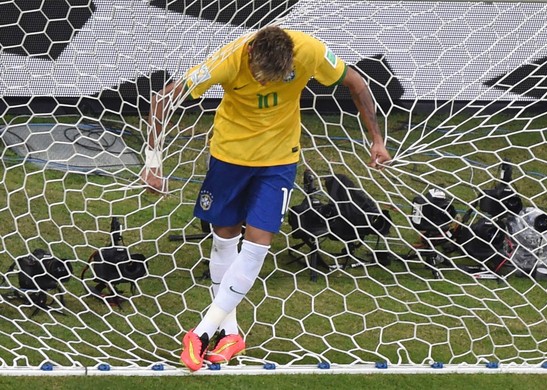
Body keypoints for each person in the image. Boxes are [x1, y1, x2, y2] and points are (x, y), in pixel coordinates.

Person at [142, 25, 391, 371]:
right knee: (224, 237)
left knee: (259, 241)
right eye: (260, 78)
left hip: (279, 160)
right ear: (249, 56)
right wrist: (153, 161)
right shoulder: (227, 58)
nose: (267, 85)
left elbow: (357, 83)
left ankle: (200, 333)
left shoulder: (310, 50)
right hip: (229, 156)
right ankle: (230, 333)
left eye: (279, 77)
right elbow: (163, 99)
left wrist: (377, 139)